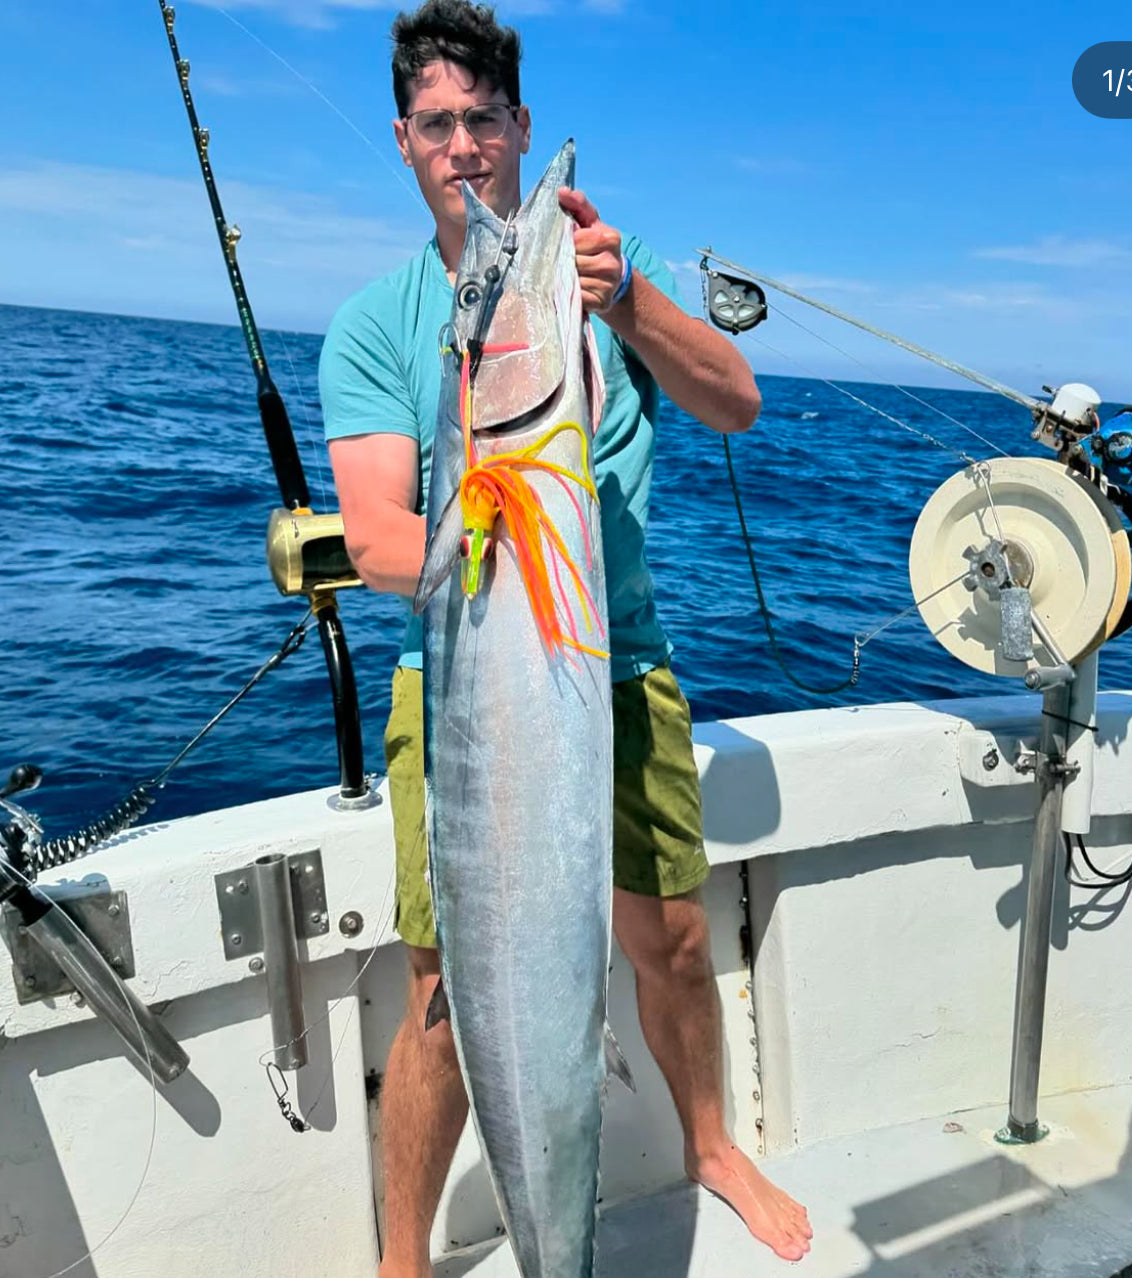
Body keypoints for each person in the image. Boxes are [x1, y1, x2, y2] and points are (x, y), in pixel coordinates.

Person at [319, 2, 813, 1272]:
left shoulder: (602, 267)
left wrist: (629, 301)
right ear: (404, 138)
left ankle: (710, 1146)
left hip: (621, 663)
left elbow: (737, 403)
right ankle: (401, 1255)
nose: (465, 147)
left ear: (520, 124)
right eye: (438, 123)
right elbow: (374, 535)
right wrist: (486, 532)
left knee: (676, 939)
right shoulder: (376, 323)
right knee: (445, 986)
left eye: (485, 119)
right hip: (463, 679)